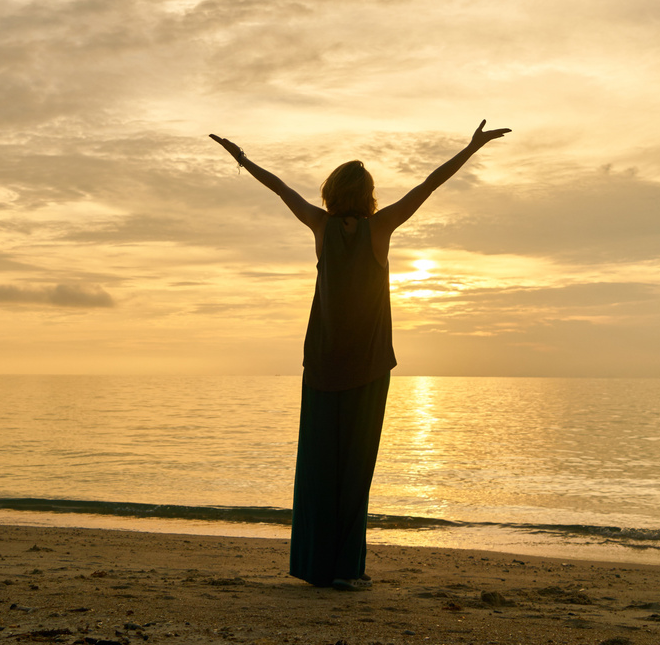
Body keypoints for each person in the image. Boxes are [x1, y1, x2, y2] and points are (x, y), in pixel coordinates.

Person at [209, 121, 511, 591]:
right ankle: (347, 569)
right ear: (368, 195)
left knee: (317, 467)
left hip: (324, 366)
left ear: (330, 194)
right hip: (369, 368)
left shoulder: (320, 225)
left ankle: (315, 567)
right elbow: (428, 184)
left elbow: (281, 188)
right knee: (354, 471)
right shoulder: (381, 226)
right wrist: (470, 148)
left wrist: (243, 160)